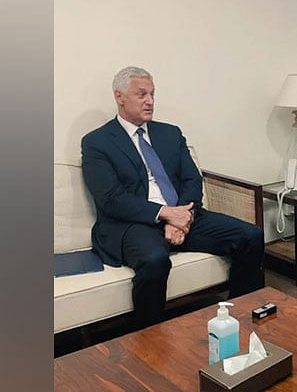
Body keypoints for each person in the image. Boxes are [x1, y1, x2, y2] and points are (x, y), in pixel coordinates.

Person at [81, 66, 265, 328]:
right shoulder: (97, 142)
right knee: (155, 260)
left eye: (153, 94)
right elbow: (111, 199)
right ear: (119, 97)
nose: (150, 101)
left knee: (250, 236)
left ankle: (240, 318)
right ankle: (149, 338)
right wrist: (166, 214)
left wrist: (182, 216)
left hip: (181, 213)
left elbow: (192, 179)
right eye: (141, 94)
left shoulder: (170, 133)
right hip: (133, 224)